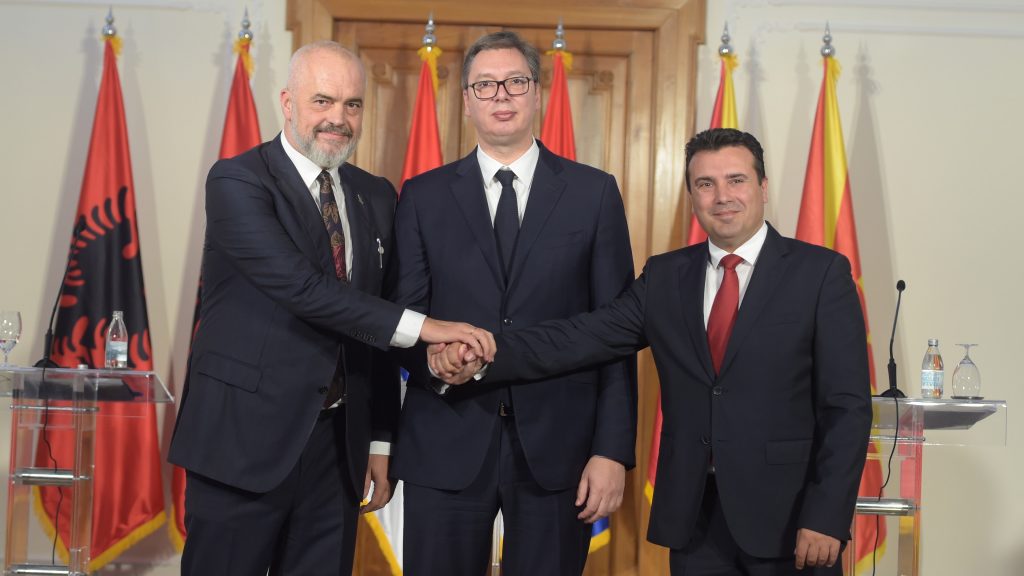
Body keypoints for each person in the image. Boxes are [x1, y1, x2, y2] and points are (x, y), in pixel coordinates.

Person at [435, 128, 873, 575]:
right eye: (706, 184)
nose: (722, 196)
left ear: (762, 187)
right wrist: (484, 352)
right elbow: (580, 337)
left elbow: (847, 409)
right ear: (692, 195)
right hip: (694, 522)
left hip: (792, 521)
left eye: (736, 180)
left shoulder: (821, 274)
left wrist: (826, 514)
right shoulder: (666, 276)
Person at [167, 41, 494, 576]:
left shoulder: (377, 195)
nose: (338, 119)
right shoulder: (238, 180)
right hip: (240, 443)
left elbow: (377, 323)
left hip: (337, 449)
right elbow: (303, 289)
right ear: (287, 102)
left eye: (352, 104)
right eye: (322, 101)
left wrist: (381, 438)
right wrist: (429, 328)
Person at [389, 31, 637, 576]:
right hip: (445, 443)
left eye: (515, 82)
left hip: (560, 451)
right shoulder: (422, 195)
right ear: (467, 101)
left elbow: (616, 330)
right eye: (485, 85)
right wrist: (433, 362)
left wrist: (612, 449)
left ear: (537, 92)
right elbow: (403, 319)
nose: (501, 95)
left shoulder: (593, 194)